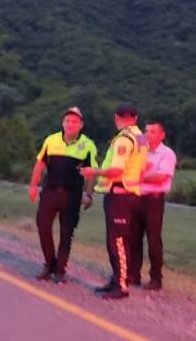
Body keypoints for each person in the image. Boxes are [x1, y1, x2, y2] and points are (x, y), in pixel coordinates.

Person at [81, 103, 148, 300]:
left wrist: (93, 171)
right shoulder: (140, 138)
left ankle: (121, 284)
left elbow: (116, 170)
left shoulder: (123, 139)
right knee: (123, 240)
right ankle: (117, 279)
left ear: (116, 118)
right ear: (135, 118)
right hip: (132, 194)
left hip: (119, 195)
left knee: (117, 241)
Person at [28, 106, 98, 283]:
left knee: (67, 232)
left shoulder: (88, 145)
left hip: (72, 194)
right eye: (67, 121)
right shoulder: (51, 140)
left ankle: (60, 270)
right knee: (43, 227)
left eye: (74, 121)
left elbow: (92, 172)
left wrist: (89, 194)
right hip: (50, 191)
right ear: (62, 123)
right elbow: (40, 164)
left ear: (81, 125)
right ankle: (49, 264)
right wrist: (33, 185)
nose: (70, 124)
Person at [130, 120, 177, 291]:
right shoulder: (140, 151)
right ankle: (133, 274)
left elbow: (161, 176)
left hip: (153, 200)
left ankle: (156, 278)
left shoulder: (167, 153)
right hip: (137, 197)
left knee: (153, 239)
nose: (148, 134)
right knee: (134, 237)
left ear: (162, 135)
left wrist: (138, 177)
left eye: (153, 131)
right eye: (146, 131)